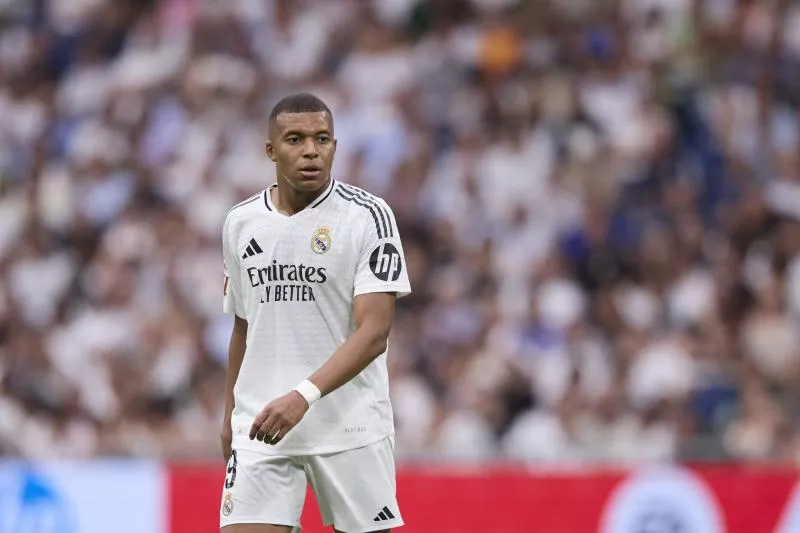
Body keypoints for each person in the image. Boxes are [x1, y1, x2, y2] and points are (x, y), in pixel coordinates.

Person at [219, 93, 411, 533]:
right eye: (295, 139)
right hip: (261, 426)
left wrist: (301, 396)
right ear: (271, 150)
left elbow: (375, 332)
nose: (311, 150)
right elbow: (243, 326)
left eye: (322, 138)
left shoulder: (368, 217)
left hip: (349, 428)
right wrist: (230, 415)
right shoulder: (240, 222)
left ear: (334, 146)